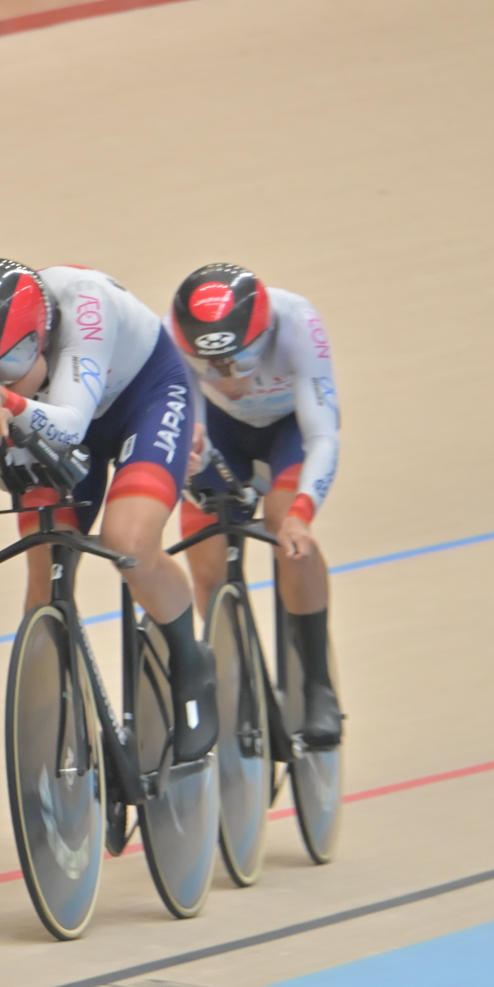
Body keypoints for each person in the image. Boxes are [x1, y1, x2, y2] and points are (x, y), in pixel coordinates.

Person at [0, 258, 217, 761]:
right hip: (48, 420)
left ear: (39, 339)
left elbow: (67, 423)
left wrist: (4, 400)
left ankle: (192, 663)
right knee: (44, 576)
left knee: (129, 543)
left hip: (142, 399)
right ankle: (58, 741)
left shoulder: (87, 305)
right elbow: (5, 450)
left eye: (6, 367)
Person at [170, 263, 342, 746]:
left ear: (264, 337)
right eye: (208, 365)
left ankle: (318, 683)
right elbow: (191, 429)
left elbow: (324, 435)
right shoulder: (173, 335)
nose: (225, 377)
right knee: (206, 566)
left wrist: (302, 516)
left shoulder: (298, 325)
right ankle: (240, 683)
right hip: (221, 433)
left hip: (287, 430)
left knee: (285, 528)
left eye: (238, 360)